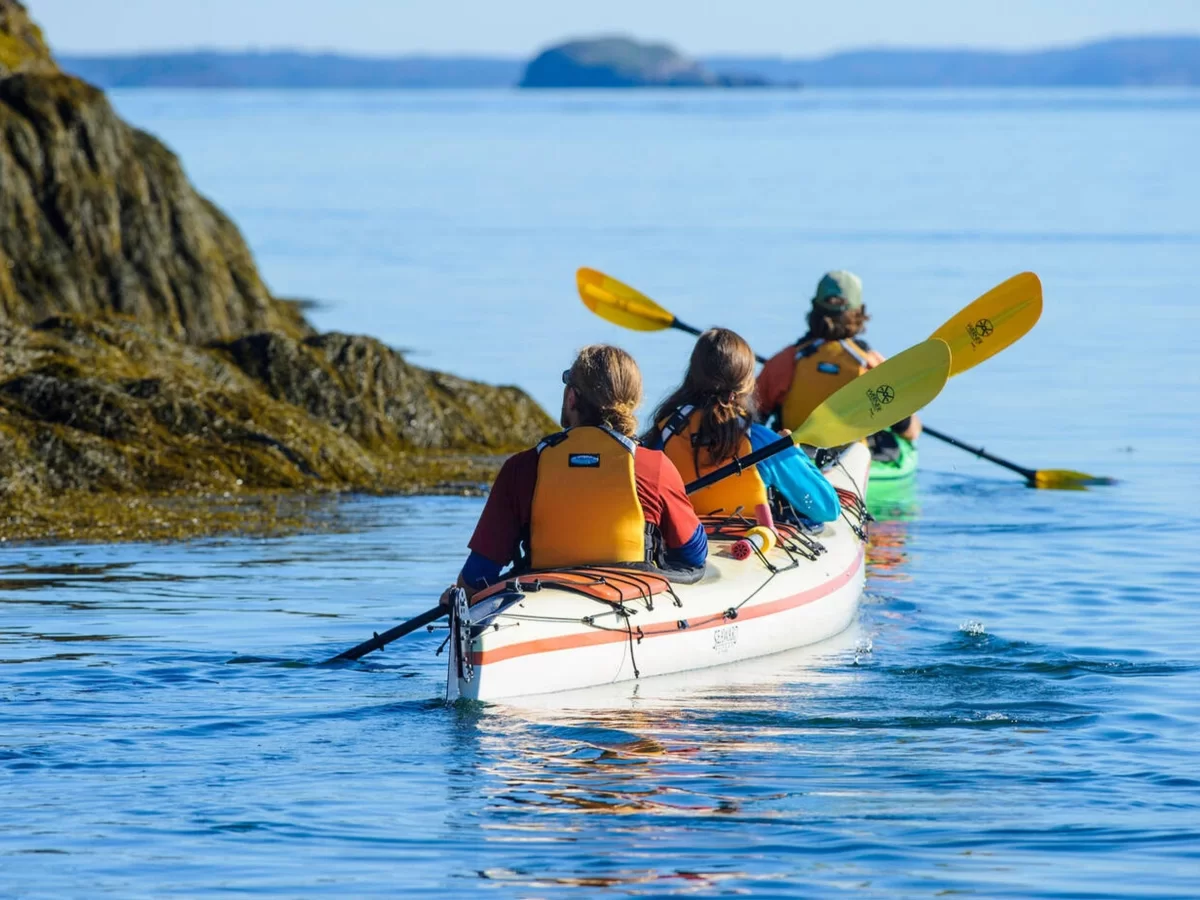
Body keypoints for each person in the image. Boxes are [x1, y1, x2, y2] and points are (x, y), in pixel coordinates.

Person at [446, 344, 708, 599]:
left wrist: (458, 597)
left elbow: (476, 577)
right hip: (632, 604)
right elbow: (694, 556)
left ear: (572, 397)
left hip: (541, 606)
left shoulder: (522, 468)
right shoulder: (654, 468)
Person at [643, 328, 840, 524]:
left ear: (692, 376)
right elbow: (827, 508)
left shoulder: (665, 433)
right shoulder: (763, 442)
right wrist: (794, 454)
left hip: (685, 544)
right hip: (753, 543)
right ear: (747, 384)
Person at [755, 270, 921, 461]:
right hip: (850, 462)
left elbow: (751, 424)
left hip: (795, 457)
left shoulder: (783, 362)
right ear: (859, 313)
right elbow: (909, 431)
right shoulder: (872, 365)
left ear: (814, 310)